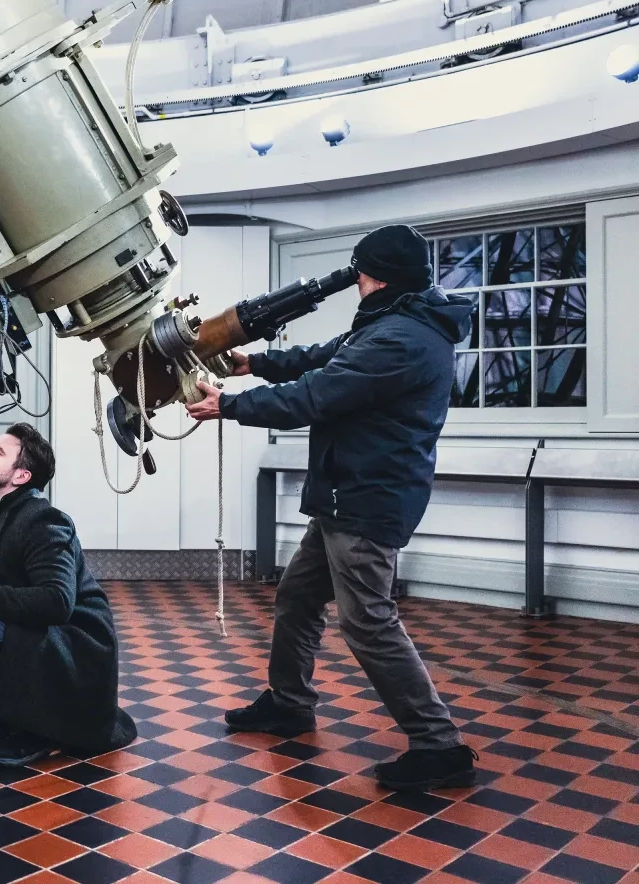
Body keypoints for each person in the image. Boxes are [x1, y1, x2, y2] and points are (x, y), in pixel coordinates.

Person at [186, 224, 479, 792]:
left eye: (359, 271)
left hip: (368, 500)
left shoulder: (402, 338)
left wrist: (232, 406)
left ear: (376, 276)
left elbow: (318, 394)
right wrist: (255, 363)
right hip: (345, 495)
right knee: (297, 599)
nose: (355, 280)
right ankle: (289, 703)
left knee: (368, 622)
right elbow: (326, 357)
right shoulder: (397, 319)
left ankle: (440, 746)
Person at [0, 422, 136, 767]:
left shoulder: (43, 520)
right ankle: (30, 716)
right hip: (32, 641)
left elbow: (57, 602)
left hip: (71, 649)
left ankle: (45, 727)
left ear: (21, 476)